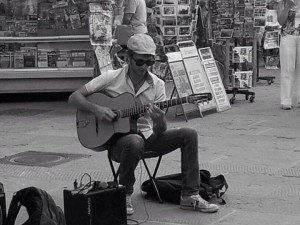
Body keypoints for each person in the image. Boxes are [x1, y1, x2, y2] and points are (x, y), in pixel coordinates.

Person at [68, 34, 219, 215]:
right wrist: (97, 109)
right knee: (134, 141)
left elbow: (160, 130)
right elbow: (74, 97)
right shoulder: (111, 78)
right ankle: (124, 193)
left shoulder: (158, 85)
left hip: (147, 137)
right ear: (128, 58)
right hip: (118, 143)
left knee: (189, 134)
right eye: (140, 62)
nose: (144, 67)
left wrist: (160, 120)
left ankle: (190, 196)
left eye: (150, 63)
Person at [277, 0, 300, 109]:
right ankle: (286, 100)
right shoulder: (283, 2)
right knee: (287, 68)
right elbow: (281, 21)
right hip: (288, 35)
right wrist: (287, 7)